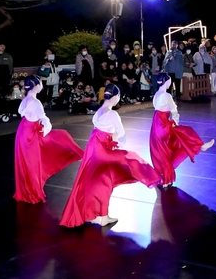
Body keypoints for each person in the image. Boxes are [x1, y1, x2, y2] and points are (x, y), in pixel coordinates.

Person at [60, 84, 161, 227]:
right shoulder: (112, 114)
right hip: (103, 152)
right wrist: (116, 146)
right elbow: (122, 137)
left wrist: (110, 143)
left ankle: (99, 215)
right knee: (129, 159)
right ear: (115, 97)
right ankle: (151, 177)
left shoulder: (99, 111)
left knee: (98, 181)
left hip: (93, 149)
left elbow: (100, 132)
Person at [14, 76, 84, 204]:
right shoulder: (35, 102)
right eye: (40, 82)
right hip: (31, 134)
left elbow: (23, 113)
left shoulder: (26, 100)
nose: (42, 84)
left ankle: (28, 190)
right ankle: (32, 192)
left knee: (27, 162)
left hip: (24, 132)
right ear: (36, 85)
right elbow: (44, 119)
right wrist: (45, 130)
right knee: (60, 138)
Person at [150, 73, 215, 188]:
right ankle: (200, 145)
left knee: (162, 152)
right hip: (163, 126)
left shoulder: (156, 95)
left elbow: (159, 110)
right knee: (185, 132)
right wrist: (175, 122)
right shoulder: (167, 96)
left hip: (155, 126)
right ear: (167, 82)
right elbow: (174, 110)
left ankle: (165, 178)